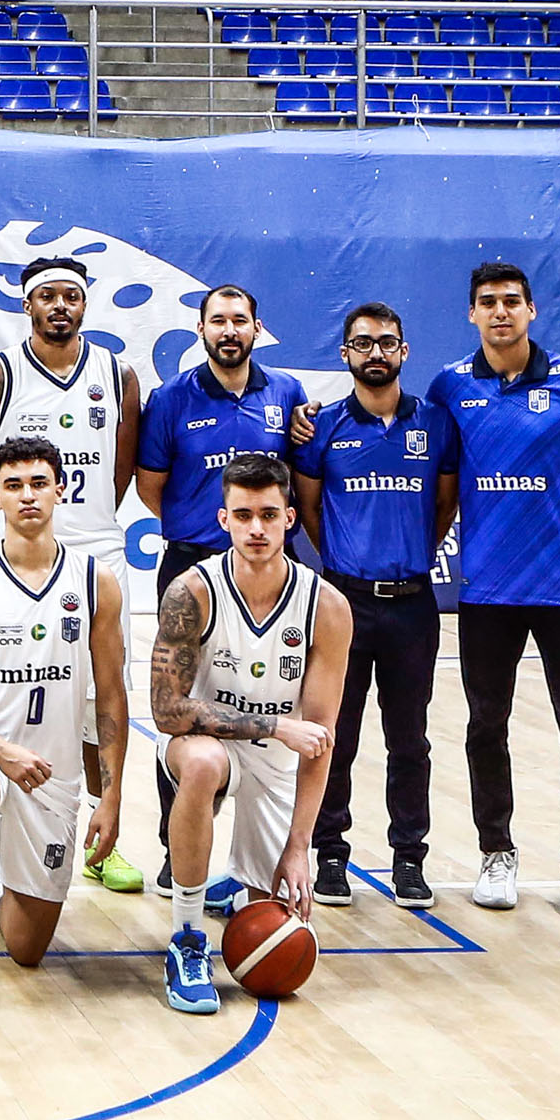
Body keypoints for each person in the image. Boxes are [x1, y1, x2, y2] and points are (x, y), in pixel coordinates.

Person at [427, 262, 560, 918]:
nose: (500, 312)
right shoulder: (450, 388)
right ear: (471, 314)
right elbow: (437, 475)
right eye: (487, 302)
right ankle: (497, 854)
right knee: (485, 726)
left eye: (511, 302)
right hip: (488, 592)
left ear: (531, 310)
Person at [0, 436, 130, 1018]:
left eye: (39, 483)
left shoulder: (95, 582)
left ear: (62, 490)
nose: (28, 495)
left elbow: (110, 697)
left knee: (27, 948)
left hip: (51, 770)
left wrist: (108, 797)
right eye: (13, 486)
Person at [0, 253, 147, 893]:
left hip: (95, 544)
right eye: (47, 296)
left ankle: (98, 830)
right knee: (10, 694)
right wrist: (20, 523)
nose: (60, 305)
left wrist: (80, 521)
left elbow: (120, 470)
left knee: (98, 701)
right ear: (27, 305)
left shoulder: (117, 375)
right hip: (14, 549)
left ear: (85, 304)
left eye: (71, 295)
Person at [147, 452, 349, 1014]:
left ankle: (242, 883)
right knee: (206, 763)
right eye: (243, 515)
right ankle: (186, 937)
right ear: (223, 520)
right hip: (207, 742)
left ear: (289, 517)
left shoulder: (326, 606)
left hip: (280, 757)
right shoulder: (193, 591)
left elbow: (321, 737)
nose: (255, 528)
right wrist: (275, 725)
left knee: (269, 912)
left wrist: (300, 848)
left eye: (267, 514)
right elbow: (166, 712)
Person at [134, 284, 311, 907]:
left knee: (263, 698)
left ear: (256, 328)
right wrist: (197, 534)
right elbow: (151, 485)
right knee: (184, 708)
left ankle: (261, 857)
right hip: (192, 562)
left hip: (263, 569)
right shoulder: (169, 399)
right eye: (218, 321)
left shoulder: (285, 394)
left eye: (240, 320)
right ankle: (173, 850)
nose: (229, 330)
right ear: (200, 329)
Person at [292, 301, 457, 910]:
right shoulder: (323, 426)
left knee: (409, 739)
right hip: (343, 604)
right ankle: (331, 855)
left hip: (413, 603)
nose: (376, 353)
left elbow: (443, 508)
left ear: (405, 351)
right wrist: (345, 564)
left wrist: (404, 556)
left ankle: (409, 859)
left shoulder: (436, 424)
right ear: (345, 355)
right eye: (362, 344)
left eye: (387, 342)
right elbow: (308, 510)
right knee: (335, 734)